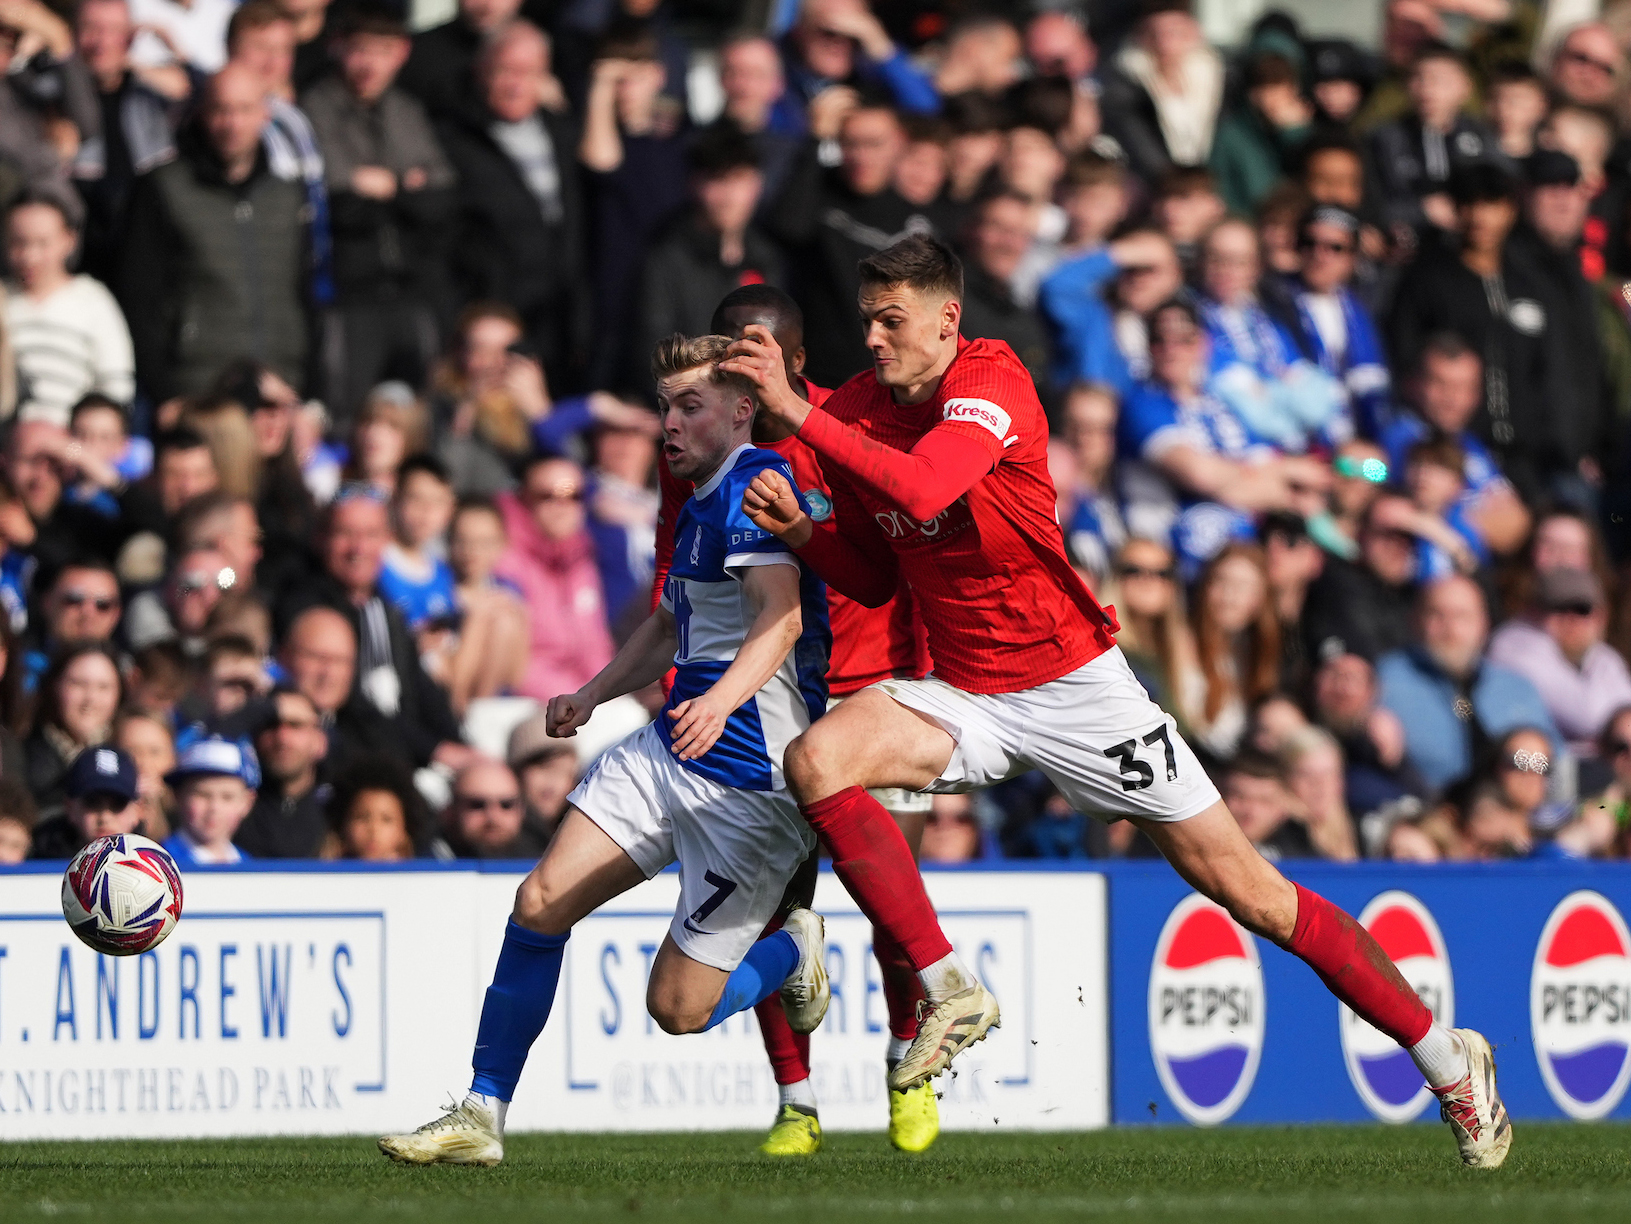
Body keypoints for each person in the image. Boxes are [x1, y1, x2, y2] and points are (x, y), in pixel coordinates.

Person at [724, 232, 1510, 1166]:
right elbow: (872, 575)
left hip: (1074, 687)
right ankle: (946, 985)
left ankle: (1447, 1060)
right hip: (966, 689)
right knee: (816, 760)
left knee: (1253, 895)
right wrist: (808, 534)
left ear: (947, 317)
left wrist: (796, 412)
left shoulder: (991, 379)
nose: (877, 338)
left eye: (893, 320)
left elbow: (930, 481)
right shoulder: (856, 410)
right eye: (866, 321)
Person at [379, 332, 834, 1168]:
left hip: (750, 784)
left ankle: (790, 950)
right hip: (669, 752)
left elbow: (785, 616)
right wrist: (593, 694)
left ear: (742, 410)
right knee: (539, 901)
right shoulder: (695, 496)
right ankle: (480, 1113)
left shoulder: (755, 488)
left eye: (689, 406)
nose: (669, 423)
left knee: (678, 1009)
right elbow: (669, 625)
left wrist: (721, 702)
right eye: (664, 407)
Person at [651, 285, 936, 1156]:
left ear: (796, 362)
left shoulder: (845, 443)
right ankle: (797, 1103)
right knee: (776, 913)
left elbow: (897, 565)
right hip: (773, 709)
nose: (744, 364)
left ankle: (906, 1069)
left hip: (874, 692)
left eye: (758, 349)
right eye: (729, 352)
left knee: (893, 909)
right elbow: (684, 587)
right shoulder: (703, 456)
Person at [301, 5, 456, 428]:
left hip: (412, 286)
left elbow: (441, 196)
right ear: (338, 50)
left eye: (382, 50)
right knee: (349, 415)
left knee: (420, 415)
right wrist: (407, 184)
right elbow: (336, 202)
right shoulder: (316, 107)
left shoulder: (408, 110)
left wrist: (384, 187)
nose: (370, 64)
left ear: (401, 53)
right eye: (359, 51)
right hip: (349, 293)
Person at [120, 63, 310, 399]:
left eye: (244, 109)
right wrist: (164, 395)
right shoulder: (162, 188)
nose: (232, 124)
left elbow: (307, 293)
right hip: (197, 388)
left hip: (279, 387)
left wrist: (307, 392)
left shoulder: (288, 194)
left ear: (265, 114)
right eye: (221, 110)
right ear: (202, 114)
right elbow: (139, 299)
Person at [437, 21, 584, 394]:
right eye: (505, 71)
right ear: (481, 73)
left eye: (528, 72)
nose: (516, 83)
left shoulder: (563, 132)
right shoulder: (453, 138)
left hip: (560, 319)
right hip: (493, 324)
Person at [1378, 574, 1559, 794]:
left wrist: (1522, 764)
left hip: (1517, 815)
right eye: (1437, 615)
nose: (1451, 630)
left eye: (1462, 617)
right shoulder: (1387, 681)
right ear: (1415, 621)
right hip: (1426, 812)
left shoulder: (1516, 689)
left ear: (1484, 625)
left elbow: (1555, 761)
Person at [4, 194, 135, 426]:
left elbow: (117, 385)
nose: (29, 256)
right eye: (19, 242)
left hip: (75, 443)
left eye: (43, 243)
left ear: (69, 241)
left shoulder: (92, 300)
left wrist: (75, 445)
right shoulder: (3, 299)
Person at [1486, 567, 1631, 759]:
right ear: (1534, 612)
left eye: (1582, 609)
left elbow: (1625, 723)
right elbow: (1587, 717)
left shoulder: (1604, 658)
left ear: (1601, 616)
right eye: (1558, 608)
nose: (1570, 619)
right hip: (1529, 768)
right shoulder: (1512, 647)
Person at [25, 642, 124, 815]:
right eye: (79, 684)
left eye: (103, 687)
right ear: (55, 686)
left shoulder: (126, 753)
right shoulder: (23, 755)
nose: (90, 699)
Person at [234, 685, 329, 857]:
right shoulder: (233, 808)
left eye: (295, 725)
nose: (282, 738)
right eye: (270, 724)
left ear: (320, 740)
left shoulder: (336, 810)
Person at [28, 744, 144, 858]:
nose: (105, 817)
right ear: (70, 807)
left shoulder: (155, 862)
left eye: (118, 804)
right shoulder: (37, 856)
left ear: (138, 810)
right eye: (92, 803)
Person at [161, 734, 259, 865]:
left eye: (227, 797)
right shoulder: (161, 863)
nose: (214, 807)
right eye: (203, 794)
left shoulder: (248, 864)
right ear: (178, 796)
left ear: (248, 802)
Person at [443, 757, 543, 858]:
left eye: (506, 805)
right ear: (451, 811)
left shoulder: (545, 863)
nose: (493, 816)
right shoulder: (430, 864)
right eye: (477, 805)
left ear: (522, 810)